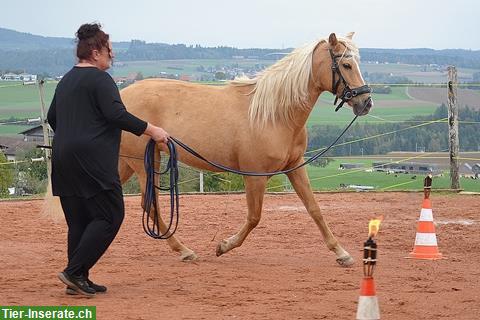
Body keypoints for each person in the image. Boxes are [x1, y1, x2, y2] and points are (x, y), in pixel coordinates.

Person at [47, 23, 168, 297]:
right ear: (94, 51)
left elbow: (53, 118)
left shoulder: (66, 80)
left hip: (64, 158)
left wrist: (74, 135)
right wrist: (153, 130)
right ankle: (74, 272)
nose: (112, 54)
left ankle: (78, 279)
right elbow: (117, 115)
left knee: (78, 221)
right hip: (93, 161)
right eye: (108, 49)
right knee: (111, 215)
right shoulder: (101, 80)